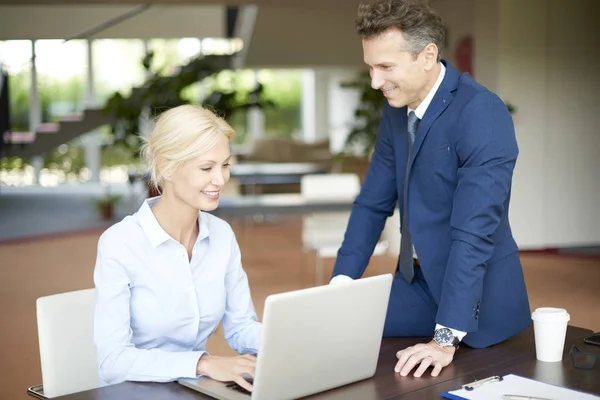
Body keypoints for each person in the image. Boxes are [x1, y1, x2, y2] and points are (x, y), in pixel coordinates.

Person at [331, 0, 531, 379]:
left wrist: (443, 340)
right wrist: (341, 287)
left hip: (479, 300)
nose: (375, 82)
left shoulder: (481, 113)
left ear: (428, 55)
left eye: (386, 67)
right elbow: (372, 204)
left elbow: (474, 233)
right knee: (333, 323)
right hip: (418, 284)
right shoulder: (395, 110)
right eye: (370, 67)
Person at [93, 104, 260, 393]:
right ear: (164, 167)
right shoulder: (120, 243)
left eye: (225, 165)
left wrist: (288, 341)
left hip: (193, 389)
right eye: (207, 168)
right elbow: (112, 361)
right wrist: (202, 364)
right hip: (136, 391)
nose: (220, 180)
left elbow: (241, 326)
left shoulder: (222, 235)